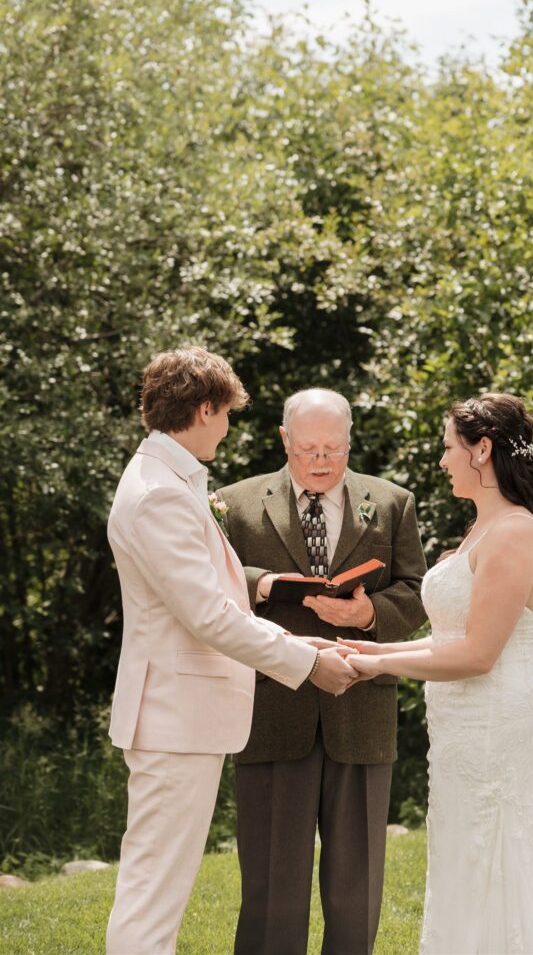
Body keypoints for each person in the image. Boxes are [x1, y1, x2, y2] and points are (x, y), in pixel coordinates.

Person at [105, 349, 356, 955]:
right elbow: (209, 616)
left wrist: (300, 639)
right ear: (204, 407)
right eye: (227, 415)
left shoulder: (168, 479)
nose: (228, 427)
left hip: (180, 718)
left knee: (160, 885)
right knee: (153, 893)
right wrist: (307, 663)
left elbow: (213, 599)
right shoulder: (159, 494)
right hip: (173, 718)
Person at [344, 393, 533, 955]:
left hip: (496, 723)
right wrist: (367, 654)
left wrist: (371, 667)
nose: (441, 460)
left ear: (481, 450)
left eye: (448, 447)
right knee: (462, 851)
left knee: (492, 852)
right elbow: (452, 638)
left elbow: (478, 654)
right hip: (463, 726)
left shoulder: (515, 534)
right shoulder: (484, 531)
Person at [216, 387, 427, 955]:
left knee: (355, 883)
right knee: (269, 882)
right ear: (284, 439)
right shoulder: (231, 504)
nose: (320, 461)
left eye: (333, 449)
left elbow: (418, 593)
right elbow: (212, 586)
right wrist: (267, 582)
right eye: (308, 448)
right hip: (271, 706)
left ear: (350, 441)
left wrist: (369, 612)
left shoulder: (391, 503)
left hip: (361, 708)